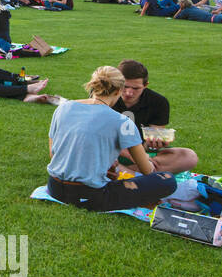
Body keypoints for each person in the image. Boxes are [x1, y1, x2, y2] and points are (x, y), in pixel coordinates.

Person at [46, 65, 178, 212]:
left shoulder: (63, 108)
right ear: (118, 91)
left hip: (54, 187)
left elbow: (53, 154)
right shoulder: (122, 121)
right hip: (90, 195)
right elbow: (147, 170)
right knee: (167, 180)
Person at [110, 60, 198, 174]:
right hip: (111, 151)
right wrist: (130, 155)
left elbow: (149, 141)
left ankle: (128, 173)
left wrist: (154, 144)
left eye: (136, 88)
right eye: (124, 87)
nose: (128, 93)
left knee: (189, 156)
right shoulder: (107, 98)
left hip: (141, 153)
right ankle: (143, 174)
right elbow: (96, 137)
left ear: (145, 85)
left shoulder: (158, 102)